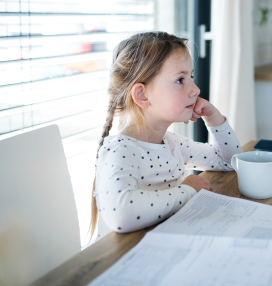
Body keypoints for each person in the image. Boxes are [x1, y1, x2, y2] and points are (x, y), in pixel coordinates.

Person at [88, 32, 241, 240]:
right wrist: (187, 190)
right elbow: (121, 215)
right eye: (180, 80)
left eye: (191, 77)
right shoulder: (121, 151)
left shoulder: (171, 143)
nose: (195, 89)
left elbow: (229, 161)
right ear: (142, 95)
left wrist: (214, 118)